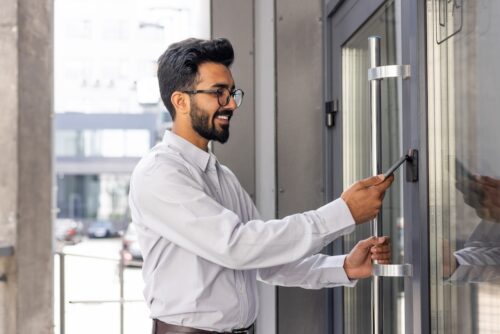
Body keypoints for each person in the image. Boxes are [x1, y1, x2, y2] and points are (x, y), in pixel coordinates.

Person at [128, 38, 394, 334]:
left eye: (231, 93)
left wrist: (344, 267)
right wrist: (342, 212)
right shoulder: (159, 173)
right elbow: (237, 247)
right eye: (218, 93)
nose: (230, 104)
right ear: (181, 101)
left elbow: (264, 260)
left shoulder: (222, 176)